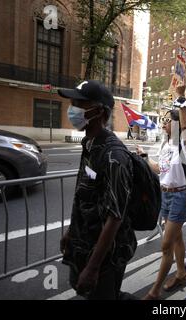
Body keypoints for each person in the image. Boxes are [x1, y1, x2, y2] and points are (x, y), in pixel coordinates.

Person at [58, 80, 137, 300]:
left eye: (79, 104)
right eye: (72, 103)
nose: (72, 110)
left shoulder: (114, 156)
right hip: (84, 242)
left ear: (99, 111)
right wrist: (72, 231)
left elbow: (115, 216)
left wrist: (93, 268)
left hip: (106, 257)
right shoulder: (90, 143)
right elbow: (86, 196)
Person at [138, 86, 186, 300]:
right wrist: (143, 157)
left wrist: (180, 97)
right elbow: (160, 169)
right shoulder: (165, 144)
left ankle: (153, 291)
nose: (164, 123)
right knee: (176, 239)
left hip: (179, 196)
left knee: (166, 245)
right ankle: (180, 273)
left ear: (177, 124)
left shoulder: (183, 142)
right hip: (165, 196)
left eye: (168, 120)